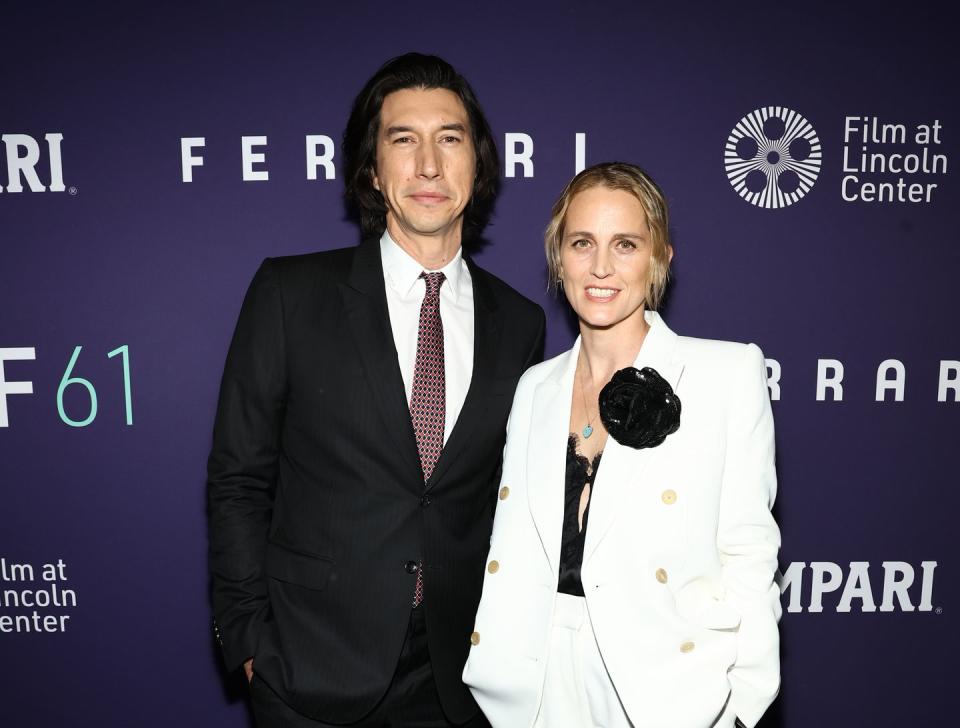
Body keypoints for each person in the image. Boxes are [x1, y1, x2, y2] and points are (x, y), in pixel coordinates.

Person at [207, 53, 545, 728]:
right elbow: (240, 478)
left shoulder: (520, 323)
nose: (427, 165)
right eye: (403, 140)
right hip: (309, 673)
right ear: (371, 169)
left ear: (476, 167)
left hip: (457, 679)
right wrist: (249, 643)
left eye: (449, 140)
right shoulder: (289, 294)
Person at [463, 162, 780, 728]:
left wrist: (744, 704)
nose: (601, 267)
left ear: (659, 258)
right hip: (534, 683)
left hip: (663, 684)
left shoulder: (724, 374)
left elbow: (749, 552)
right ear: (558, 259)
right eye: (582, 243)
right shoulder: (535, 387)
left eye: (625, 244)